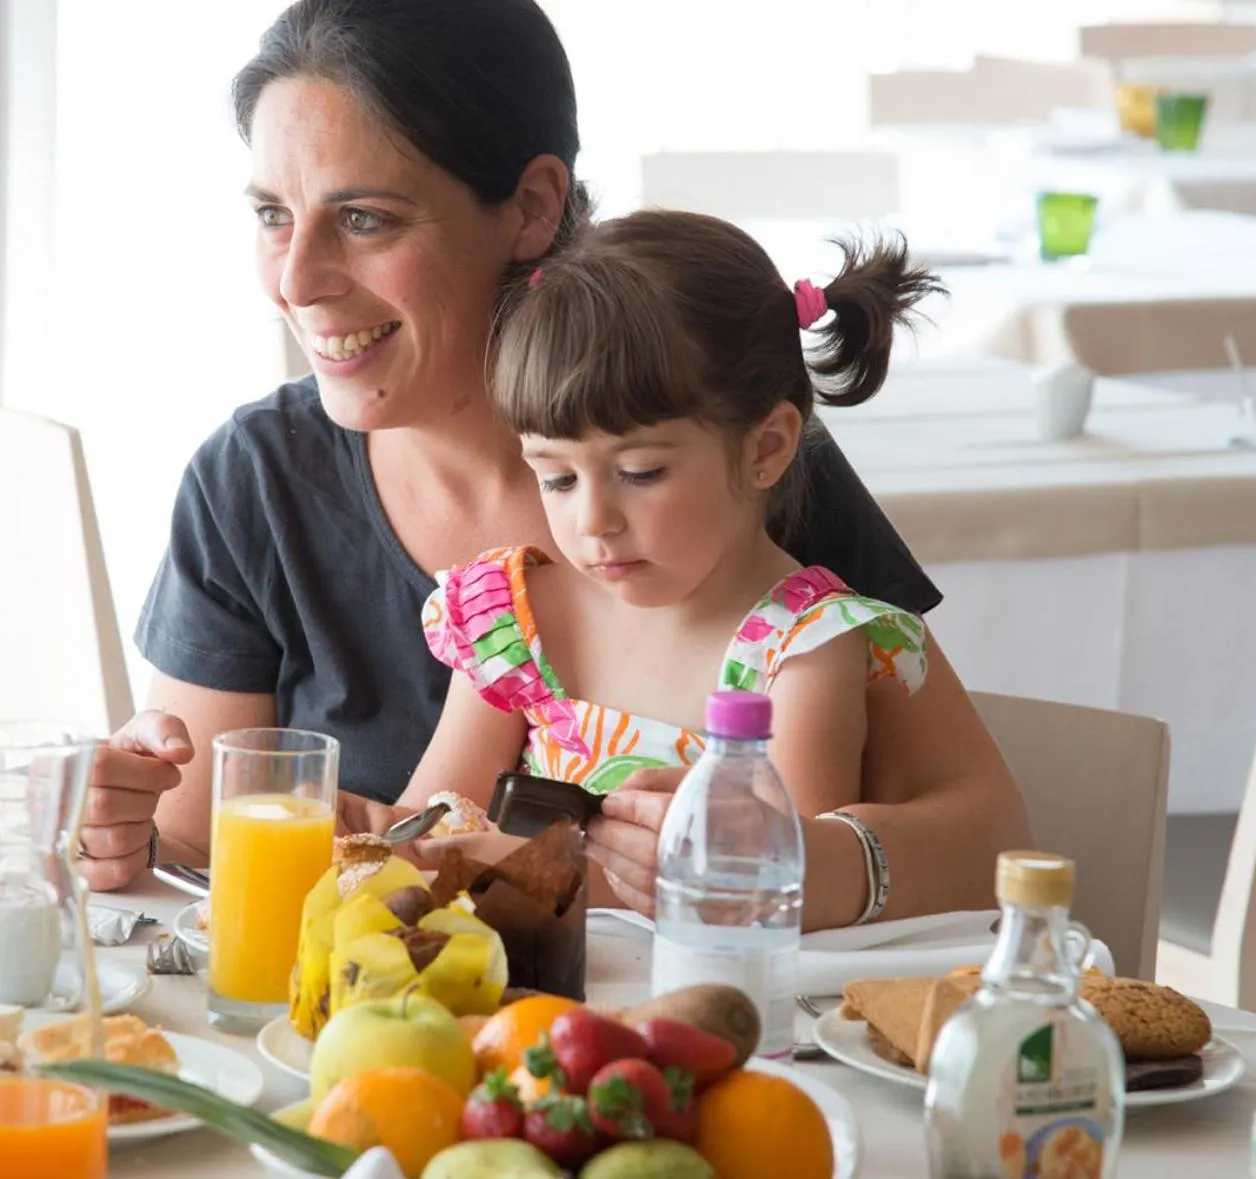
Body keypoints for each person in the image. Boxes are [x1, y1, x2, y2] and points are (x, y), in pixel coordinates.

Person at [79, 0, 1031, 930]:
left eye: (365, 218)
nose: (295, 282)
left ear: (532, 207)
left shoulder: (731, 466)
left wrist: (805, 863)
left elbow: (986, 835)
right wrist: (107, 828)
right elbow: (193, 841)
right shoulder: (258, 481)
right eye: (271, 214)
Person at [400, 211, 934, 830]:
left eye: (641, 473)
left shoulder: (803, 653)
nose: (593, 520)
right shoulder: (515, 626)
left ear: (766, 448)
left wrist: (514, 862)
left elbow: (780, 885)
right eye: (558, 478)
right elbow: (430, 825)